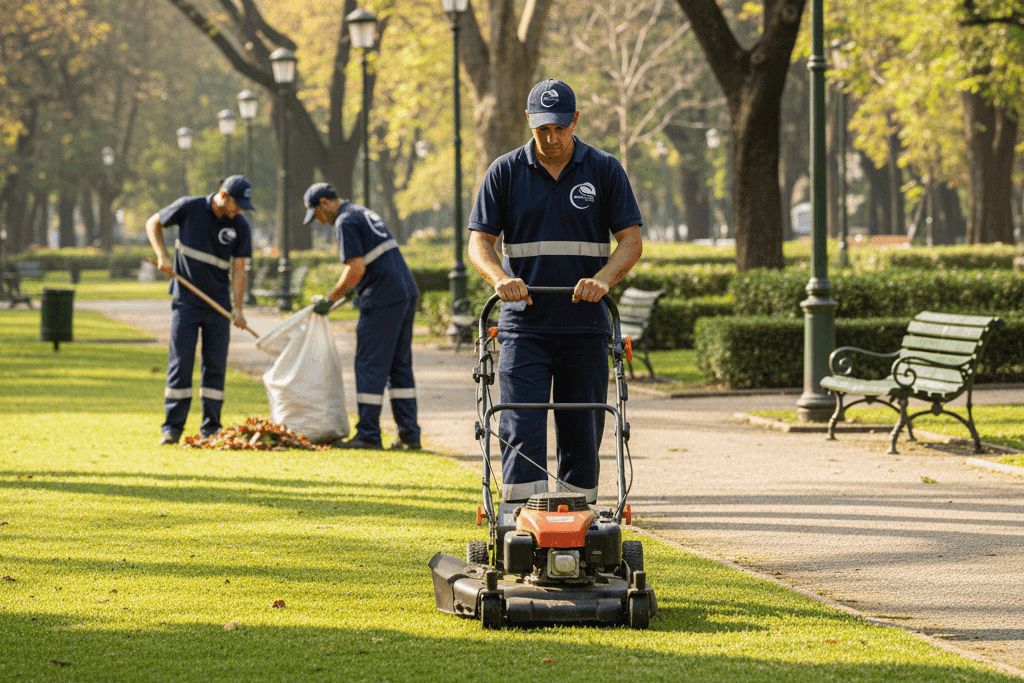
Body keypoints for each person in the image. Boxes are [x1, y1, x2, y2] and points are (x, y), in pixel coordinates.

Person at [467, 78, 643, 505]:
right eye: (542, 129)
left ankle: (578, 521)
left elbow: (631, 241)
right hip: (523, 327)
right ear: (530, 122)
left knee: (582, 430)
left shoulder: (604, 169)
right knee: (519, 427)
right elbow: (479, 242)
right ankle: (518, 523)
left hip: (584, 326)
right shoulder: (505, 172)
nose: (551, 138)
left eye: (559, 128)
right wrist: (499, 279)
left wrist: (604, 279)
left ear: (575, 121)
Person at [303, 182, 422, 450]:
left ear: (324, 203)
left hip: (382, 297)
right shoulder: (363, 213)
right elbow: (371, 264)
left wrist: (329, 299)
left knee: (370, 364)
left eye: (316, 214)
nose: (319, 221)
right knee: (399, 366)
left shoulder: (344, 221)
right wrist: (347, 294)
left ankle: (368, 434)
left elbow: (355, 269)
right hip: (405, 292)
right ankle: (409, 435)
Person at [145, 175, 254, 445]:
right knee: (180, 363)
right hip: (186, 302)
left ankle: (211, 428)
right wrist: (163, 255)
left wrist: (238, 308)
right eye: (236, 204)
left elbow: (239, 270)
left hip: (219, 306)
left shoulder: (240, 226)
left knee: (215, 366)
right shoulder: (189, 207)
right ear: (224, 195)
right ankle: (172, 428)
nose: (239, 210)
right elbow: (153, 223)